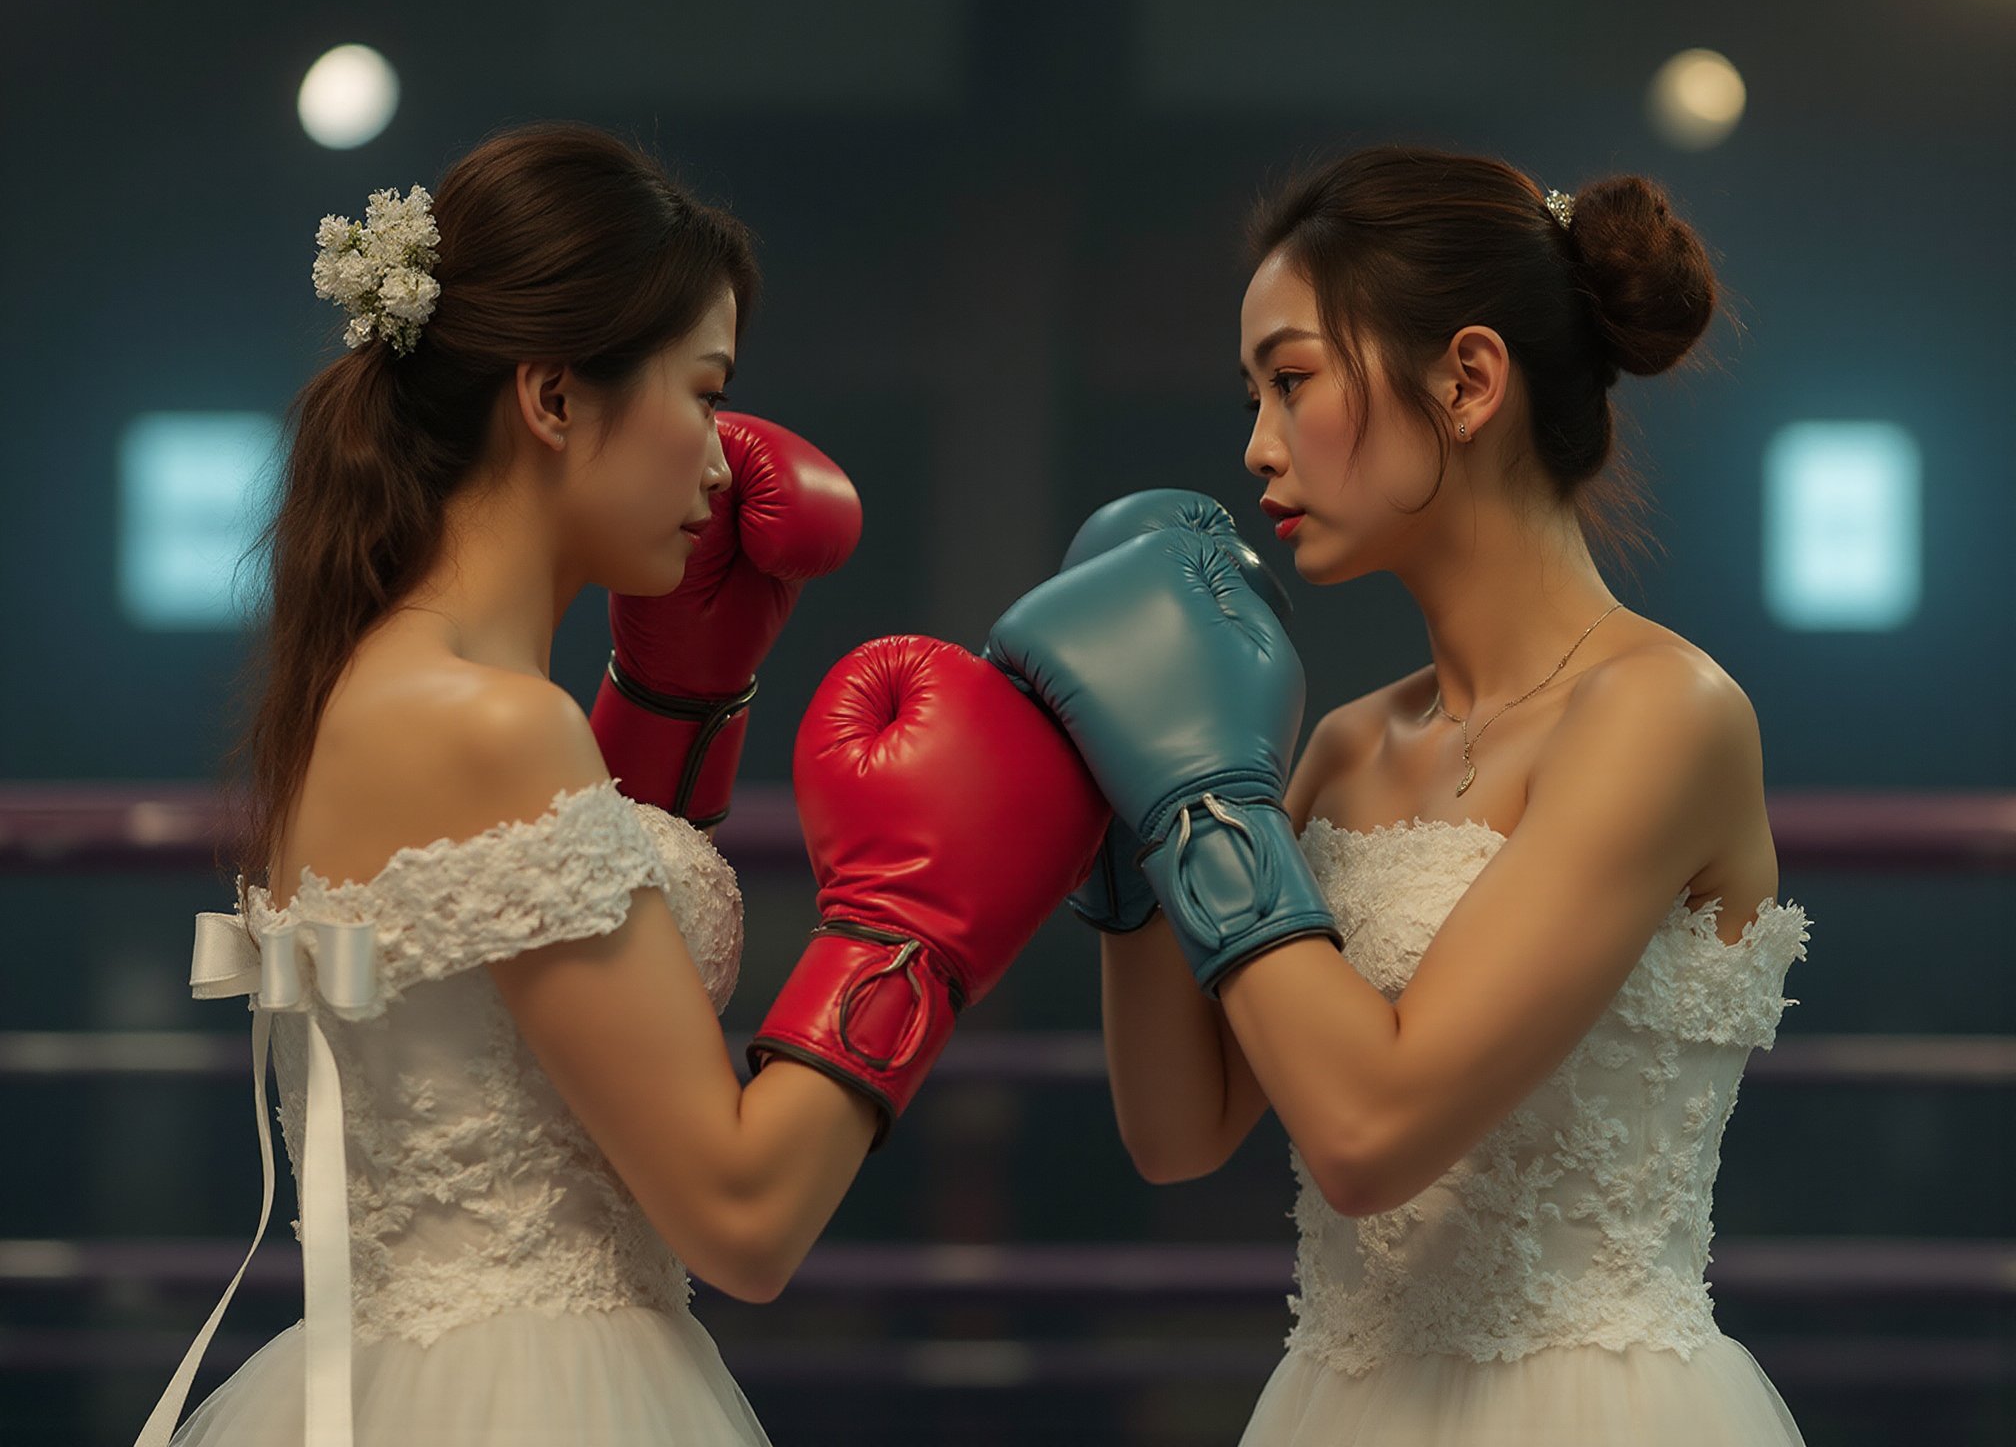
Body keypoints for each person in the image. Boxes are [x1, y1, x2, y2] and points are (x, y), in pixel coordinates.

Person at [138, 122, 1106, 1447]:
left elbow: (543, 1020)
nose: (722, 458)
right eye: (704, 392)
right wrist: (910, 933)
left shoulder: (375, 689)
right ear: (551, 399)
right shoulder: (496, 726)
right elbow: (743, 1216)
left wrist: (673, 705)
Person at [989, 147, 1813, 1445]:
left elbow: (1369, 1133)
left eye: (1293, 378)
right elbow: (1175, 1130)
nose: (1257, 442)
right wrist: (1128, 800)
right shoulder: (1352, 747)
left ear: (1469, 379)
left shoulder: (1662, 715)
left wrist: (1205, 797)